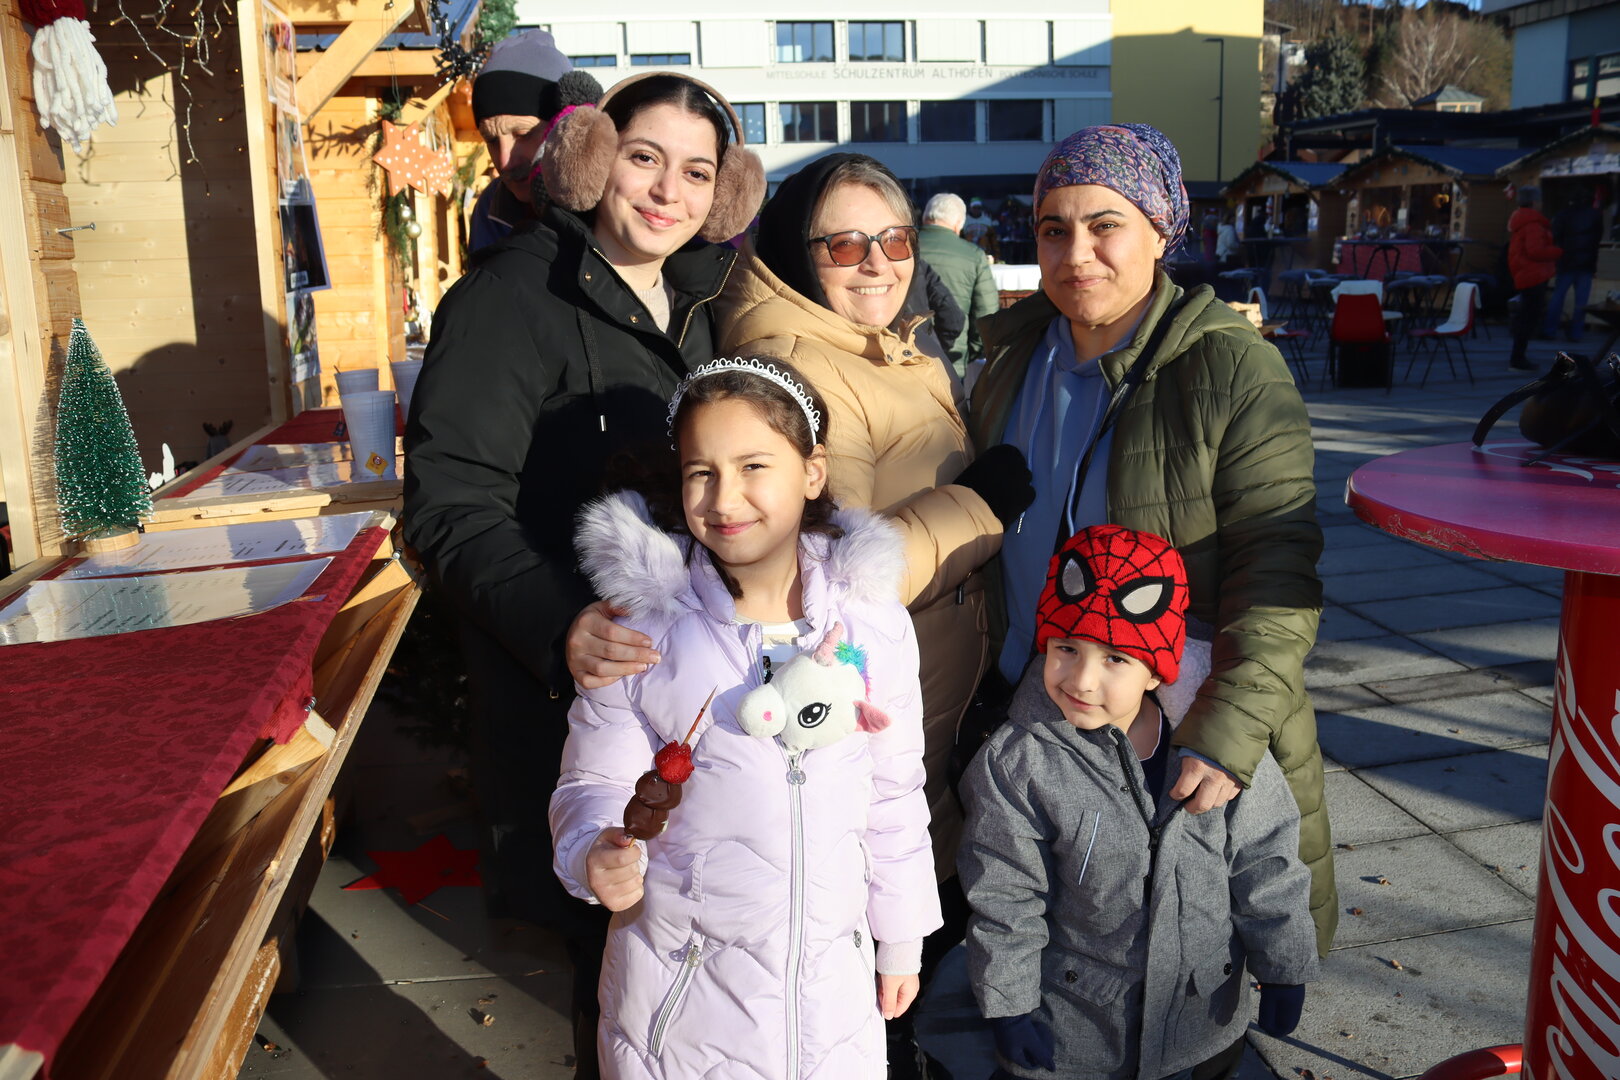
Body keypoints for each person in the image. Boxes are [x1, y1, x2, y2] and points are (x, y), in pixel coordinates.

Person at [403, 71, 764, 1077]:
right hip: (572, 708)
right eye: (645, 158)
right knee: (611, 980)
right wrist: (557, 622)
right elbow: (448, 503)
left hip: (697, 708)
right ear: (596, 159)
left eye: (698, 172)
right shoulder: (512, 296)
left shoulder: (708, 304)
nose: (668, 192)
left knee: (703, 975)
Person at [968, 123, 1337, 963]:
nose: (1076, 254)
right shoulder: (1011, 358)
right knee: (1043, 952)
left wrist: (1226, 731)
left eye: (1106, 225)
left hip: (1169, 725)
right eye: (1053, 228)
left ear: (1162, 230)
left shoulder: (1232, 370)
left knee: (1177, 965)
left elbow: (1277, 570)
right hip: (1036, 709)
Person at [551, 359, 941, 1078]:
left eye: (754, 466)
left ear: (812, 472)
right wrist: (589, 850)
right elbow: (592, 784)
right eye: (702, 472)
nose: (725, 498)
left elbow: (894, 794)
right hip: (679, 1012)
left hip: (832, 1012)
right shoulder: (643, 633)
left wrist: (901, 939)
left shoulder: (874, 624)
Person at [959, 524, 1318, 1080]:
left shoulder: (1218, 750)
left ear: (1156, 671)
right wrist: (1010, 1003)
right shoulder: (1019, 761)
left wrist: (1284, 965)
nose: (1082, 679)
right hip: (1076, 1028)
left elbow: (1265, 859)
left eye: (1115, 659)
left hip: (1201, 1021)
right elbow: (1005, 892)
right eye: (1066, 648)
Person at [467, 29, 602, 253]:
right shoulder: (491, 208)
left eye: (523, 134)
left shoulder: (615, 196)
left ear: (564, 125)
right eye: (491, 140)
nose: (504, 161)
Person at [919, 193, 1002, 378]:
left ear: (925, 217)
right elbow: (986, 313)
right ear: (959, 224)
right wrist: (972, 350)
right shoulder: (974, 255)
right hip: (953, 357)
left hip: (902, 353)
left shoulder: (901, 248)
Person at [1507, 186, 1562, 372]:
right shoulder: (1533, 224)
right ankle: (1517, 358)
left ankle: (1518, 356)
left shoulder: (1522, 221)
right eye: (1539, 200)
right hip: (1534, 275)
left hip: (1525, 273)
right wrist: (1559, 251)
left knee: (1526, 316)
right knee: (1528, 318)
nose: (1541, 203)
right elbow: (1535, 251)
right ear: (1534, 202)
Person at [1544, 185, 1602, 343]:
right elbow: (1597, 239)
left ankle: (1550, 330)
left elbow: (1555, 236)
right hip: (1587, 262)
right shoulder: (1595, 215)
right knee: (1581, 302)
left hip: (1566, 261)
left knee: (1558, 297)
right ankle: (1576, 333)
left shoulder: (1563, 215)